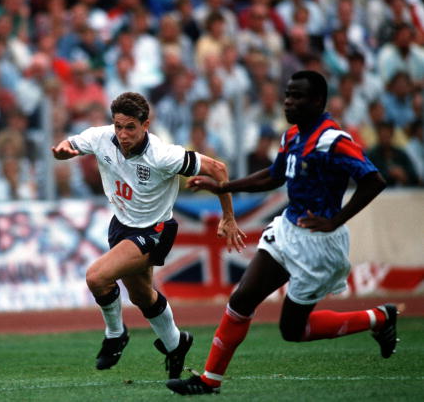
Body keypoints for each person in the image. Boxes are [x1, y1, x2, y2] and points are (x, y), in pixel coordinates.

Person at [166, 71, 398, 395]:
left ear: (318, 101)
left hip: (319, 244)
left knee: (293, 330)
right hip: (288, 229)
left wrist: (335, 220)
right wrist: (223, 186)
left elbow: (374, 180)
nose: (289, 101)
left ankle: (378, 318)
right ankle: (209, 381)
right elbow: (275, 177)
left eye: (298, 96)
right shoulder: (291, 136)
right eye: (288, 94)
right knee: (242, 299)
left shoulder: (334, 140)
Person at [51, 92, 245, 379]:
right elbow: (71, 143)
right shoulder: (101, 138)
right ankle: (176, 344)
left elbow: (219, 168)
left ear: (146, 125)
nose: (123, 134)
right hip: (121, 226)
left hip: (154, 231)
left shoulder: (163, 155)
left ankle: (115, 334)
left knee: (96, 277)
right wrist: (62, 150)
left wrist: (228, 216)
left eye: (130, 127)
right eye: (118, 126)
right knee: (142, 296)